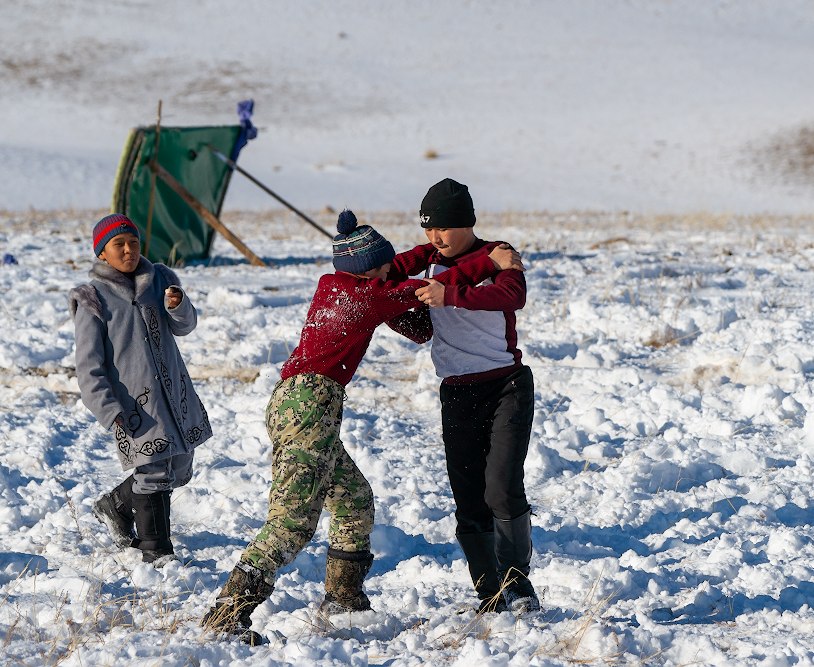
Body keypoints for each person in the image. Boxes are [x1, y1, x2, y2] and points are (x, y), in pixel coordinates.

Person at [201, 210, 513, 644]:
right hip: (310, 406)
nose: (392, 267)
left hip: (295, 402)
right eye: (384, 264)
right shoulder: (370, 297)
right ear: (370, 268)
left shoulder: (339, 285)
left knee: (354, 501)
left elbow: (400, 283)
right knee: (291, 521)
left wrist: (431, 250)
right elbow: (420, 288)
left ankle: (343, 599)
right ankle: (228, 614)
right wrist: (488, 263)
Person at [387, 177, 540, 615]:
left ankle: (518, 583)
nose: (435, 238)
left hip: (506, 386)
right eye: (427, 230)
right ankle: (488, 593)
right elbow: (418, 317)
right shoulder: (429, 261)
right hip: (456, 393)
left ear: (467, 224)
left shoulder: (497, 253)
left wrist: (449, 292)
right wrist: (394, 310)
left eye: (443, 229)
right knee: (469, 497)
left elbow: (514, 293)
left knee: (503, 488)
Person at [68, 214, 212, 567]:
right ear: (102, 253)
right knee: (153, 473)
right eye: (118, 245)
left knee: (178, 466)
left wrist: (179, 307)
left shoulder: (161, 279)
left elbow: (185, 327)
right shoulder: (93, 299)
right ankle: (157, 552)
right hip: (136, 403)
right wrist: (108, 408)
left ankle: (114, 506)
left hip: (175, 395)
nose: (128, 250)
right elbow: (88, 366)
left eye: (133, 242)